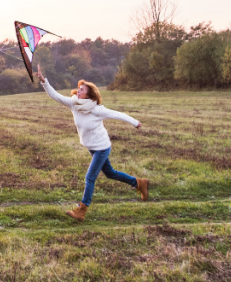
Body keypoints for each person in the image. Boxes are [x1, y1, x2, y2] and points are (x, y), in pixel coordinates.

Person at [36, 70, 149, 221]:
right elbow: (56, 96)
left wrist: (135, 122)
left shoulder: (96, 109)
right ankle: (138, 183)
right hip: (91, 147)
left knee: (90, 177)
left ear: (88, 95)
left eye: (81, 90)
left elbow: (117, 114)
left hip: (102, 147)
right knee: (110, 173)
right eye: (79, 88)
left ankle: (81, 210)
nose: (78, 91)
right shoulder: (74, 103)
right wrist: (44, 81)